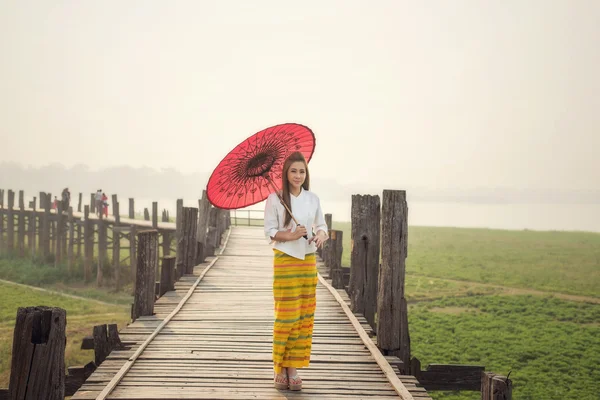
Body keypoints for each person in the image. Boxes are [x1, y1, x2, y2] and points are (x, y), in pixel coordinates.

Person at [263, 151, 329, 391]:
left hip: (307, 261)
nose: (298, 175)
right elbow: (269, 231)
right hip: (285, 259)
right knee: (287, 314)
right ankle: (280, 366)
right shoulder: (275, 198)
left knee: (304, 316)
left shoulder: (313, 198)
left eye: (302, 171)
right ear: (286, 173)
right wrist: (291, 235)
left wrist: (320, 235)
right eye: (293, 171)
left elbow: (321, 226)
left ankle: (294, 366)